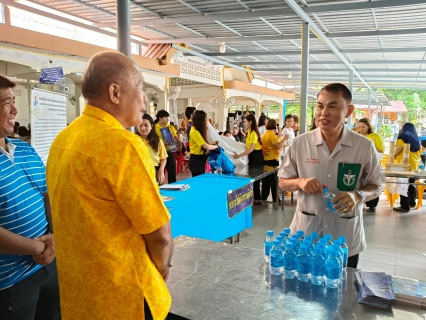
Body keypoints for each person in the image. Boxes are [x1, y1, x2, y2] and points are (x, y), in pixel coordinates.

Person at [46, 52, 173, 320]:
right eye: (139, 88)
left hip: (79, 296)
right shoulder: (123, 146)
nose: (144, 100)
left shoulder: (62, 140)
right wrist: (160, 268)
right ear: (115, 92)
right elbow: (159, 236)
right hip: (124, 299)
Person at [279, 83, 385, 269]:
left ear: (348, 111)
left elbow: (377, 185)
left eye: (332, 106)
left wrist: (358, 195)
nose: (323, 113)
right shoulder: (300, 144)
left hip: (344, 241)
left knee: (342, 291)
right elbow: (283, 183)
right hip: (306, 236)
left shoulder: (363, 147)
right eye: (320, 106)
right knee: (304, 291)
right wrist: (300, 182)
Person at [0, 75, 60, 320]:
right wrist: (37, 247)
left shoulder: (25, 148)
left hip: (49, 265)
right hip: (11, 282)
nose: (15, 109)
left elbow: (48, 195)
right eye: (6, 103)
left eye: (14, 101)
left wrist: (56, 236)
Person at [356, 118, 385, 212]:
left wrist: (370, 147)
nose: (361, 129)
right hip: (359, 163)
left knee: (373, 182)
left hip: (372, 162)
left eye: (363, 127)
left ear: (368, 126)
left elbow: (381, 150)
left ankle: (372, 204)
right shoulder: (356, 136)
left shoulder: (375, 136)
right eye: (359, 127)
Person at [234, 113, 263, 204]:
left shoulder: (253, 133)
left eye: (246, 122)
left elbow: (250, 149)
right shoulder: (249, 131)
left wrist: (239, 156)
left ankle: (257, 199)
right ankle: (254, 198)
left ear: (251, 122)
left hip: (256, 156)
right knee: (251, 177)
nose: (245, 124)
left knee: (255, 177)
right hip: (252, 155)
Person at [393, 122, 422, 212]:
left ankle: (404, 206)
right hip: (415, 164)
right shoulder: (417, 138)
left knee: (403, 184)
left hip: (404, 163)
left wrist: (393, 154)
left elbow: (399, 147)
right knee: (411, 183)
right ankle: (412, 201)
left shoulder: (403, 135)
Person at [262, 119, 288, 203]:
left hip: (265, 159)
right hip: (272, 159)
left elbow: (275, 141)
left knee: (266, 181)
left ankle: (263, 197)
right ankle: (276, 199)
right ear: (275, 126)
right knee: (274, 181)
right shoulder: (271, 135)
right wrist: (285, 139)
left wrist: (280, 134)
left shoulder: (265, 134)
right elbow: (277, 146)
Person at [136, 114, 168, 184]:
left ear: (151, 126)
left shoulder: (158, 141)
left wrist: (161, 170)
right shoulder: (134, 140)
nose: (143, 128)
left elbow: (163, 158)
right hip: (139, 171)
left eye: (146, 125)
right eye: (140, 125)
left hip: (155, 170)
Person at [189, 110, 218, 177]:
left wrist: (213, 144)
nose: (207, 121)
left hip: (199, 159)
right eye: (205, 119)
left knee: (199, 181)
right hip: (196, 160)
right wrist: (216, 147)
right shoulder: (194, 132)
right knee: (198, 182)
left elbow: (202, 144)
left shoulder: (196, 130)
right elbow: (206, 147)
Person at [155, 110, 178, 183]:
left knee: (172, 172)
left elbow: (175, 138)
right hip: (159, 154)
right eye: (165, 117)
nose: (167, 119)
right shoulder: (155, 128)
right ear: (160, 118)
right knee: (159, 173)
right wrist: (162, 142)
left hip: (170, 151)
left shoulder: (170, 127)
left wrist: (174, 138)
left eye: (168, 117)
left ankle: (173, 189)